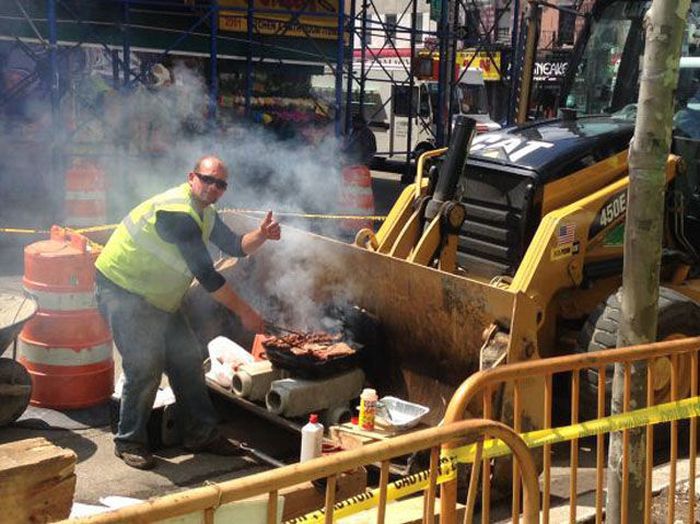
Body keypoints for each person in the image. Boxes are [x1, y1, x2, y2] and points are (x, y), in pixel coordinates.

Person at [95, 155, 281, 470]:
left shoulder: (206, 213)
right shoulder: (177, 213)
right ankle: (129, 441)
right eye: (207, 179)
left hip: (160, 297)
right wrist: (247, 313)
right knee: (145, 365)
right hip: (125, 290)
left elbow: (235, 245)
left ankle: (201, 434)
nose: (213, 187)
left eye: (220, 184)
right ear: (191, 177)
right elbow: (207, 276)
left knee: (187, 359)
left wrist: (261, 235)